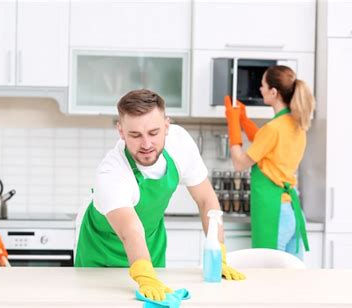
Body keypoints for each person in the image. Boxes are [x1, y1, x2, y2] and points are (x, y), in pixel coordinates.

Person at [75, 89, 245, 301]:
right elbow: (130, 230)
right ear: (121, 131)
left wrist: (217, 252)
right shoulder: (111, 173)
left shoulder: (180, 143)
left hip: (149, 246)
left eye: (154, 133)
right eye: (135, 135)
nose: (146, 144)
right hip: (100, 253)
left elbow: (206, 199)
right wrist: (145, 276)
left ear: (167, 126)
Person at [224, 65, 315, 260]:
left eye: (263, 85)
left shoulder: (273, 128)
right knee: (291, 276)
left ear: (273, 92)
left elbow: (240, 163)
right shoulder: (297, 125)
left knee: (267, 274)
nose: (260, 89)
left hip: (274, 213)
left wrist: (233, 125)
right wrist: (244, 119)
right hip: (292, 210)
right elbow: (265, 145)